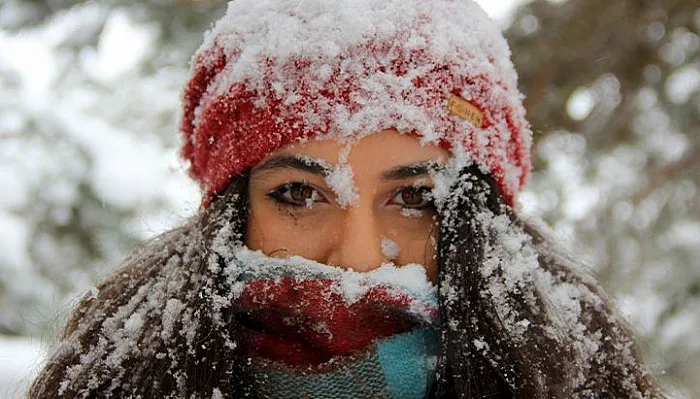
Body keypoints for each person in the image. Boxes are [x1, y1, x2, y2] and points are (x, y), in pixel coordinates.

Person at [30, 0, 663, 397]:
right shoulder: (117, 382)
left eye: (416, 197)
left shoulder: (579, 382)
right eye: (299, 194)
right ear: (231, 214)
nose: (357, 258)